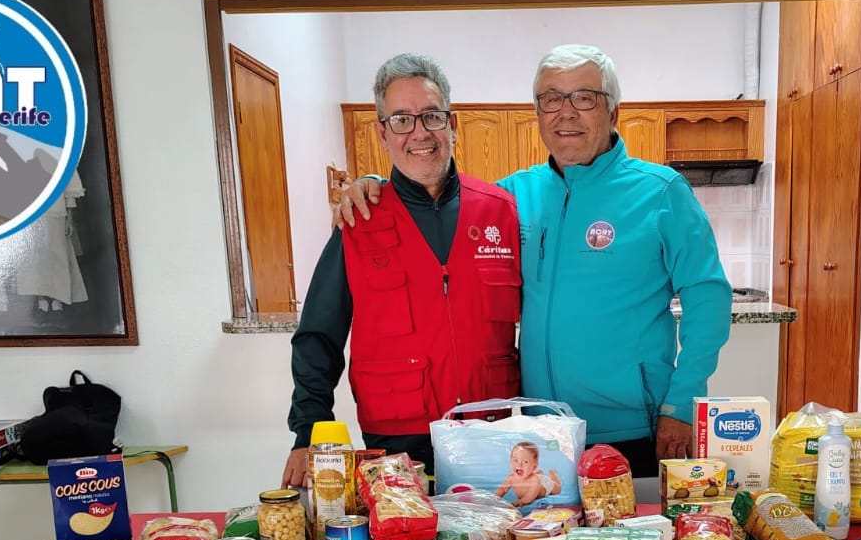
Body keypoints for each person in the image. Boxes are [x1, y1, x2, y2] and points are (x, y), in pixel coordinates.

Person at [341, 44, 731, 476]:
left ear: (613, 112)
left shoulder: (660, 192)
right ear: (539, 115)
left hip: (635, 428)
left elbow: (709, 298)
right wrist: (377, 186)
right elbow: (443, 196)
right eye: (551, 99)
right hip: (536, 432)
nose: (566, 112)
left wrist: (681, 401)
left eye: (584, 97)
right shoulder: (512, 198)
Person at [282, 54, 521, 488]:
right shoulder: (359, 220)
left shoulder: (500, 210)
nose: (419, 133)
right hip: (397, 436)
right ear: (382, 132)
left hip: (492, 430)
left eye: (431, 116)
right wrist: (308, 432)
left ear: (452, 124)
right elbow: (318, 335)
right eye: (401, 120)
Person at [494, 440, 563, 508]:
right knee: (537, 475)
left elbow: (530, 496)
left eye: (525, 462)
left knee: (556, 490)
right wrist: (494, 498)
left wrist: (520, 502)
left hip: (546, 485)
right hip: (537, 477)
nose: (519, 464)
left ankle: (553, 474)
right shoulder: (511, 478)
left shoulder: (534, 480)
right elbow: (502, 489)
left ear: (534, 467)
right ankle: (539, 473)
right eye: (516, 460)